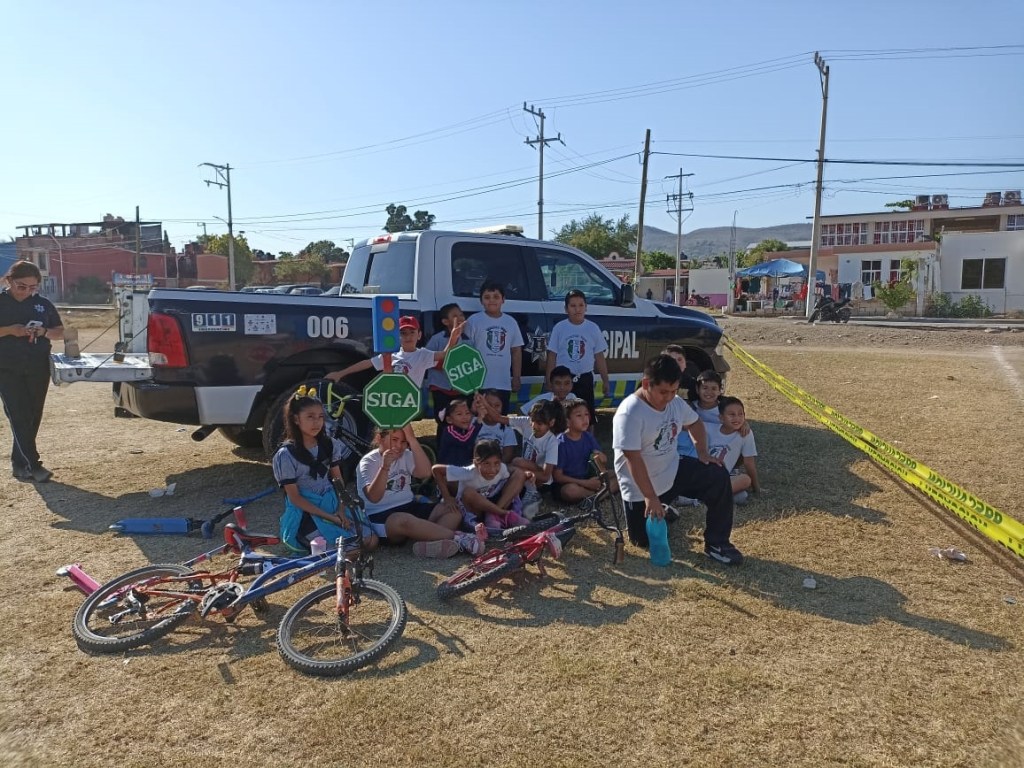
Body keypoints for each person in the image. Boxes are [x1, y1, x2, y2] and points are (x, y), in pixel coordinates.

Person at [612, 354, 742, 565]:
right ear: (646, 384)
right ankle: (663, 507)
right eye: (664, 392)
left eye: (674, 391)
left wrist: (702, 453)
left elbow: (695, 423)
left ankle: (718, 543)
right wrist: (650, 498)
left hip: (672, 470)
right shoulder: (629, 413)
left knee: (717, 475)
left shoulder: (675, 402)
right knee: (641, 541)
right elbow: (633, 459)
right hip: (640, 488)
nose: (669, 397)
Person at [272, 388, 379, 553]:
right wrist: (331, 518)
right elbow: (295, 498)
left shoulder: (329, 444)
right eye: (310, 417)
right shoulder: (285, 455)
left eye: (320, 417)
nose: (317, 422)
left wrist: (341, 510)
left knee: (371, 540)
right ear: (295, 419)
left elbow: (338, 481)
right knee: (349, 552)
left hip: (333, 504)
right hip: (307, 513)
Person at [357, 423, 486, 558]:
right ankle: (457, 538)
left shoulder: (405, 455)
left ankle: (429, 543)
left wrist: (412, 439)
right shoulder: (368, 461)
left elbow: (425, 472)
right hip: (383, 516)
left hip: (409, 506)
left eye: (403, 442)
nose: (399, 446)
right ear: (379, 439)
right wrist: (384, 467)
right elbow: (373, 497)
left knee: (452, 511)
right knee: (403, 520)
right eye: (394, 440)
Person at [0, 261, 63, 482]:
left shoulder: (43, 304)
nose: (27, 291)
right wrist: (11, 330)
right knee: (18, 414)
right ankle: (34, 465)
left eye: (33, 287)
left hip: (37, 366)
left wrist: (44, 330)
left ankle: (19, 463)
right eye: (22, 286)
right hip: (6, 367)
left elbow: (59, 331)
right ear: (9, 281)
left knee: (33, 415)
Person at [483, 398, 566, 519]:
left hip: (539, 482)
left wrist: (525, 474)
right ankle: (497, 512)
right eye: (533, 421)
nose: (534, 426)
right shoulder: (526, 422)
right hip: (524, 473)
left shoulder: (552, 441)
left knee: (516, 463)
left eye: (539, 424)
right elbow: (498, 418)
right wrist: (484, 402)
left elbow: (545, 476)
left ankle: (498, 511)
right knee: (510, 469)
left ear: (551, 423)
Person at [325, 314, 462, 387]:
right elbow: (367, 363)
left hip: (409, 401)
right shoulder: (390, 355)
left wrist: (453, 338)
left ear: (419, 335)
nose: (408, 336)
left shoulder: (423, 355)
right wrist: (340, 373)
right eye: (403, 333)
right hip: (391, 399)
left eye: (412, 332)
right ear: (397, 336)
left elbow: (445, 355)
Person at [432, 438, 529, 534]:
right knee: (468, 492)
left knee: (520, 474)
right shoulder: (468, 472)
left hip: (492, 501)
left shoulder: (502, 469)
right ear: (476, 463)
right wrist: (447, 497)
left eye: (496, 463)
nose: (492, 469)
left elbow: (514, 473)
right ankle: (502, 514)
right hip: (474, 510)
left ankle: (495, 514)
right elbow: (436, 469)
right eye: (486, 463)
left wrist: (527, 474)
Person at [545, 289, 610, 429]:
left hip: (585, 378)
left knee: (586, 415)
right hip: (564, 380)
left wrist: (605, 379)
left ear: (586, 307)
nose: (577, 309)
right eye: (573, 306)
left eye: (581, 305)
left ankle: (588, 445)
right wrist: (549, 380)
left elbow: (599, 356)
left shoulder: (593, 328)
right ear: (566, 309)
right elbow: (552, 355)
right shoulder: (560, 328)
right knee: (561, 415)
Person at [463, 280, 523, 413]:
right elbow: (466, 351)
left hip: (503, 382)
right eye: (487, 297)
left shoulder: (511, 322)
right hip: (479, 382)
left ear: (503, 299)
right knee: (479, 419)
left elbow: (516, 351)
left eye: (496, 297)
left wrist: (516, 377)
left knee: (500, 418)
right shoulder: (474, 320)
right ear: (481, 300)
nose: (491, 301)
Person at [552, 400, 617, 503]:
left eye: (586, 414)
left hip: (589, 477)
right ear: (567, 421)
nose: (584, 419)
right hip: (570, 482)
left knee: (619, 475)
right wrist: (585, 483)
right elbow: (558, 476)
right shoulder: (561, 443)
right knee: (569, 491)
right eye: (579, 416)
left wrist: (601, 458)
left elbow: (602, 462)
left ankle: (595, 496)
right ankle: (597, 495)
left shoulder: (588, 436)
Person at [424, 303, 469, 430]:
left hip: (461, 389)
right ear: (445, 321)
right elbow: (429, 361)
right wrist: (448, 363)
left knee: (462, 421)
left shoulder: (468, 341)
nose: (460, 317)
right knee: (443, 421)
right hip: (441, 387)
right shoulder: (436, 339)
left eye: (461, 314)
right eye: (455, 315)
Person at [710, 396, 760, 505]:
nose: (737, 418)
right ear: (721, 418)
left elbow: (749, 463)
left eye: (740, 414)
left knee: (745, 480)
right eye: (732, 415)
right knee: (740, 495)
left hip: (721, 478)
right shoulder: (709, 428)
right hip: (702, 473)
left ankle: (705, 496)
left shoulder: (745, 434)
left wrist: (757, 489)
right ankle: (708, 496)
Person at [436, 396, 484, 467]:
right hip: (449, 471)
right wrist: (478, 422)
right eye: (459, 414)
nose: (465, 417)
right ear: (449, 419)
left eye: (467, 413)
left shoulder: (463, 430)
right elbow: (465, 440)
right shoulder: (450, 431)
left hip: (462, 469)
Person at [475, 389, 518, 465]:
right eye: (488, 405)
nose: (492, 409)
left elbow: (507, 456)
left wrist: (492, 467)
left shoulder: (507, 429)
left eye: (497, 405)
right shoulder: (472, 423)